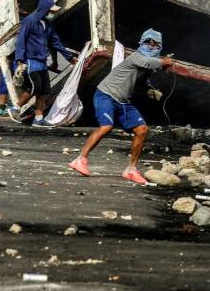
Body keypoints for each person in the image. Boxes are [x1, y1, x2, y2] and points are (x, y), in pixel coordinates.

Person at [69, 29, 172, 185]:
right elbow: (151, 62)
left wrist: (150, 89)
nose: (152, 46)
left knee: (142, 129)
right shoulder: (137, 56)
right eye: (149, 42)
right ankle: (80, 159)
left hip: (123, 101)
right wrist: (164, 62)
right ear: (142, 43)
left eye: (155, 44)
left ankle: (131, 170)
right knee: (106, 126)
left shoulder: (148, 65)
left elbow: (141, 80)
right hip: (106, 95)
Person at [8, 0, 76, 127]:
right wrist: (20, 59)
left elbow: (56, 43)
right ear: (45, 9)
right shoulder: (30, 21)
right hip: (30, 60)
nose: (52, 13)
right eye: (51, 11)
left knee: (44, 91)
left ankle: (38, 119)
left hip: (42, 61)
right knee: (35, 87)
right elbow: (21, 40)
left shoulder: (48, 25)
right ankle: (15, 108)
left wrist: (69, 57)